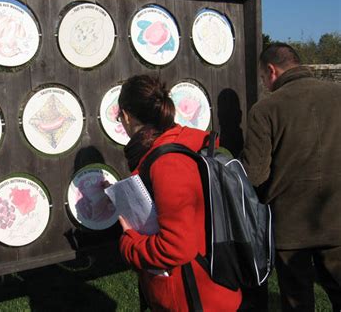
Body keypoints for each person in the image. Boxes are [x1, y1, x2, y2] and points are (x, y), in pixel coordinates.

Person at [116, 74, 242, 311]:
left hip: (195, 297)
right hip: (214, 284)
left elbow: (176, 247)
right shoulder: (185, 143)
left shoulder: (168, 163)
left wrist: (129, 244)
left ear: (126, 115)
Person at [241, 43, 341, 311]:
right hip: (337, 215)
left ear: (271, 70)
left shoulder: (266, 109)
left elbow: (254, 174)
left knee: (298, 302)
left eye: (263, 78)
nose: (265, 85)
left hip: (290, 224)